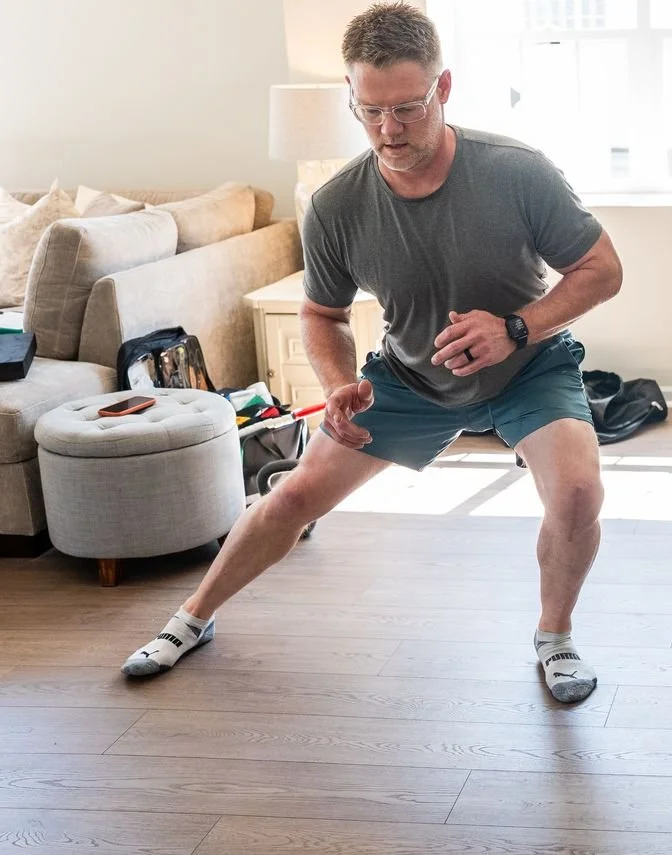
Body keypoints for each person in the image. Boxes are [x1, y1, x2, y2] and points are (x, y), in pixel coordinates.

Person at [122, 2, 623, 705]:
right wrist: (336, 383)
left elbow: (603, 269)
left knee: (576, 492)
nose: (389, 130)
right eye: (370, 110)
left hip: (526, 365)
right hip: (411, 376)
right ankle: (190, 619)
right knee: (293, 492)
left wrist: (514, 327)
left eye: (409, 108)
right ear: (352, 98)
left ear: (443, 89)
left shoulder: (517, 171)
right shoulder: (335, 205)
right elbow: (322, 313)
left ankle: (555, 635)